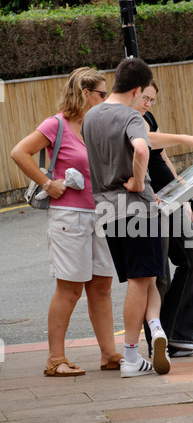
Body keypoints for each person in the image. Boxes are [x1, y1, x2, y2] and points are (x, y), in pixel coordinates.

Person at [11, 67, 122, 376]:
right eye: (102, 93)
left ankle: (109, 354)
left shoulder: (98, 125)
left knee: (101, 287)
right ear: (86, 94)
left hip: (101, 213)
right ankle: (55, 359)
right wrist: (48, 184)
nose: (106, 98)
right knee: (70, 289)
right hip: (69, 216)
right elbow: (19, 152)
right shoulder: (56, 124)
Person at [82, 58, 173, 378]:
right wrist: (136, 181)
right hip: (137, 207)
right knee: (141, 280)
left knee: (143, 277)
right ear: (137, 90)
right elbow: (143, 150)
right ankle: (133, 357)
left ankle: (156, 327)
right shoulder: (131, 116)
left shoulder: (91, 116)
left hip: (106, 209)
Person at [133, 80, 193, 358]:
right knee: (159, 275)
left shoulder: (148, 117)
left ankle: (179, 334)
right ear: (132, 92)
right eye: (145, 98)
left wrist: (183, 191)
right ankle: (159, 337)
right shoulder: (126, 120)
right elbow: (147, 140)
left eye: (152, 100)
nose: (148, 104)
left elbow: (163, 157)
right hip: (149, 204)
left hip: (171, 199)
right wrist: (188, 138)